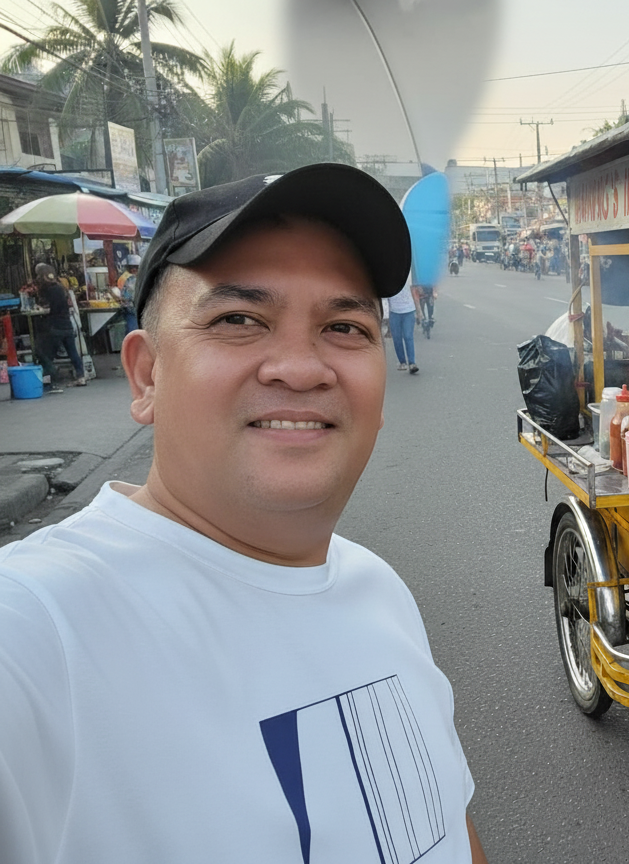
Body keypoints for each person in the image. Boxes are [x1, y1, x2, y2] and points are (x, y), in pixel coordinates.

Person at [0, 164, 486, 863]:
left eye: (345, 326)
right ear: (147, 375)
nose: (301, 367)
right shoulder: (37, 632)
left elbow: (446, 829)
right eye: (238, 320)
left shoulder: (380, 591)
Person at [32, 262, 87, 391]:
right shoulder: (61, 288)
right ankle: (81, 377)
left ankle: (50, 382)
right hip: (67, 325)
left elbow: (50, 309)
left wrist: (41, 308)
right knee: (73, 352)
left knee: (46, 355)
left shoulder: (48, 290)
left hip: (54, 327)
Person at [388, 275, 421, 373]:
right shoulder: (387, 278)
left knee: (408, 336)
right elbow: (385, 299)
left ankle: (412, 363)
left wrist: (419, 311)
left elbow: (414, 293)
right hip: (394, 312)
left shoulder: (408, 276)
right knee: (397, 338)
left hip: (409, 310)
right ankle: (402, 362)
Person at [110, 253, 141, 332]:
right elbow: (125, 296)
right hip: (131, 311)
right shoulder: (130, 279)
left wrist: (119, 298)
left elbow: (127, 297)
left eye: (135, 267)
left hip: (132, 312)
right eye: (131, 267)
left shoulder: (132, 280)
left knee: (133, 333)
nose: (133, 269)